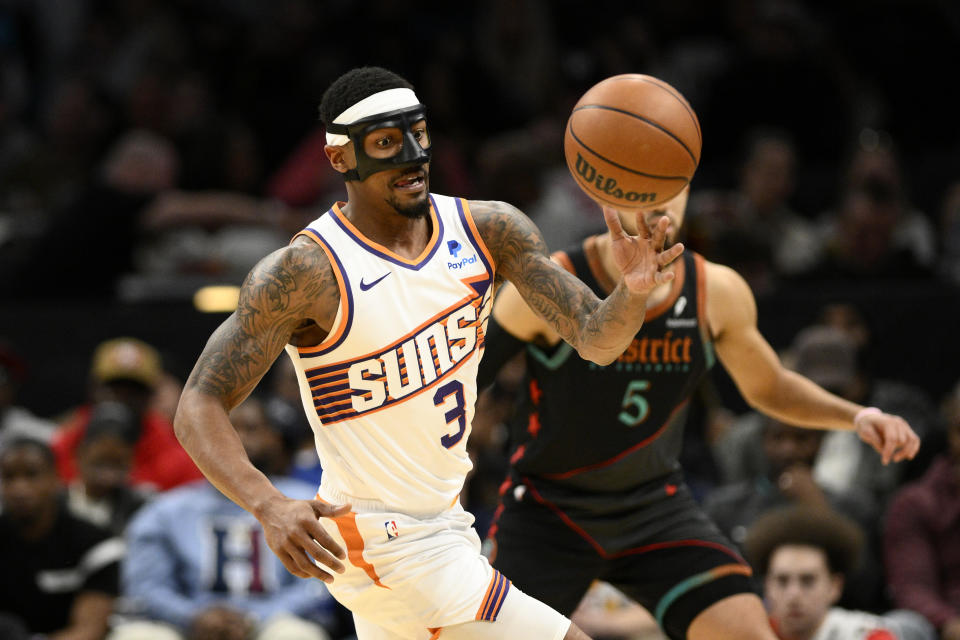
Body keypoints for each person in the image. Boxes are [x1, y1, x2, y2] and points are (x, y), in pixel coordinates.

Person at [173, 66, 683, 640]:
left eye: (418, 133)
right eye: (387, 142)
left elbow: (598, 339)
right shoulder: (306, 271)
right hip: (379, 541)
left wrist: (632, 292)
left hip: (444, 522)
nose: (412, 155)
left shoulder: (489, 230)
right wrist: (267, 503)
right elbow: (198, 403)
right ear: (340, 159)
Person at [477, 184, 919, 640]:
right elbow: (466, 378)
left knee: (750, 632)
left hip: (651, 506)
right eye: (643, 184)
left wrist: (856, 416)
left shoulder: (715, 290)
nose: (660, 201)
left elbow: (769, 386)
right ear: (608, 186)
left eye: (673, 183)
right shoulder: (554, 279)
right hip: (549, 511)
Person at [111, 397, 333, 640]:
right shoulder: (164, 512)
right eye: (226, 429)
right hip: (186, 627)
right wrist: (192, 616)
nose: (237, 439)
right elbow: (145, 588)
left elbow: (323, 583)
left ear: (275, 439)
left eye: (250, 428)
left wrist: (257, 616)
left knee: (296, 636)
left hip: (272, 623)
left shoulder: (305, 501)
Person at [745, 505, 935, 640]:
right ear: (767, 586)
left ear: (835, 587)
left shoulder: (867, 635)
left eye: (808, 581)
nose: (794, 594)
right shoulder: (742, 632)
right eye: (782, 581)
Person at [0, 437, 123, 640]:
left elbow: (89, 631)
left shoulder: (97, 544)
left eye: (32, 475)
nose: (19, 488)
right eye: (9, 477)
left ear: (56, 478)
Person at [54, 337, 203, 491]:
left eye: (134, 391)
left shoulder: (176, 456)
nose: (122, 399)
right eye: (114, 388)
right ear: (93, 390)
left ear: (150, 396)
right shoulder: (66, 443)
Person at [882, 381, 960, 640]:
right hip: (948, 626)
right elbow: (913, 589)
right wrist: (949, 623)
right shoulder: (915, 503)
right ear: (953, 434)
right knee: (901, 626)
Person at [66, 401, 153, 536]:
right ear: (81, 452)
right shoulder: (57, 504)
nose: (107, 475)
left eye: (116, 464)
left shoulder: (142, 506)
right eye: (100, 462)